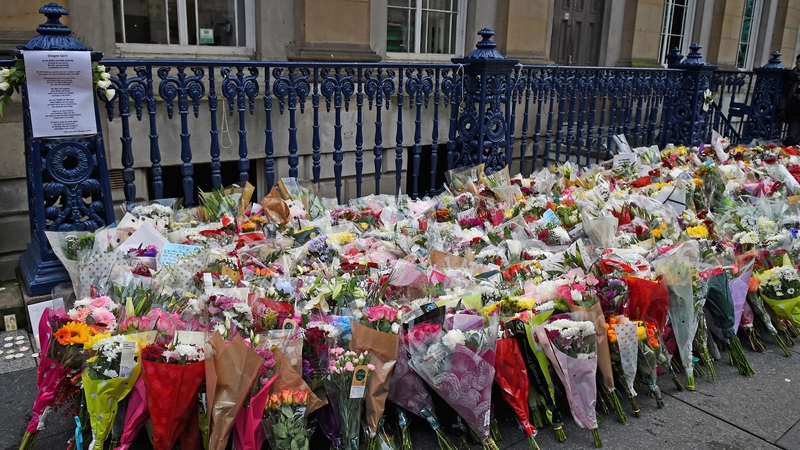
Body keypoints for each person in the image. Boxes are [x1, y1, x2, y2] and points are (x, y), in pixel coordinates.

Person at [777, 54, 800, 146]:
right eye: (799, 61)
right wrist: (782, 108)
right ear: (796, 63)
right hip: (795, 111)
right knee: (792, 136)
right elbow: (784, 93)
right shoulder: (791, 76)